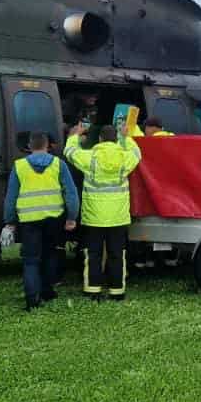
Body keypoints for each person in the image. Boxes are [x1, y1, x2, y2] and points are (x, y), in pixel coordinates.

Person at [1, 131, 79, 311]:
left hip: (29, 220)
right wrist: (71, 217)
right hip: (54, 218)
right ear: (47, 145)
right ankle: (47, 290)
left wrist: (10, 221)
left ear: (29, 146)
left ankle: (31, 299)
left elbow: (11, 197)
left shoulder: (19, 166)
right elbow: (71, 193)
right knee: (50, 254)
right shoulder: (59, 164)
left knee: (30, 260)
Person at [68, 121, 142, 301]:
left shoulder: (90, 157)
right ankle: (117, 291)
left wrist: (75, 135)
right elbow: (137, 153)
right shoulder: (124, 157)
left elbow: (69, 152)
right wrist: (127, 137)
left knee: (93, 254)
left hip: (94, 216)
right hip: (118, 216)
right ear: (116, 139)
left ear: (99, 139)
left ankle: (93, 290)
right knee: (117, 254)